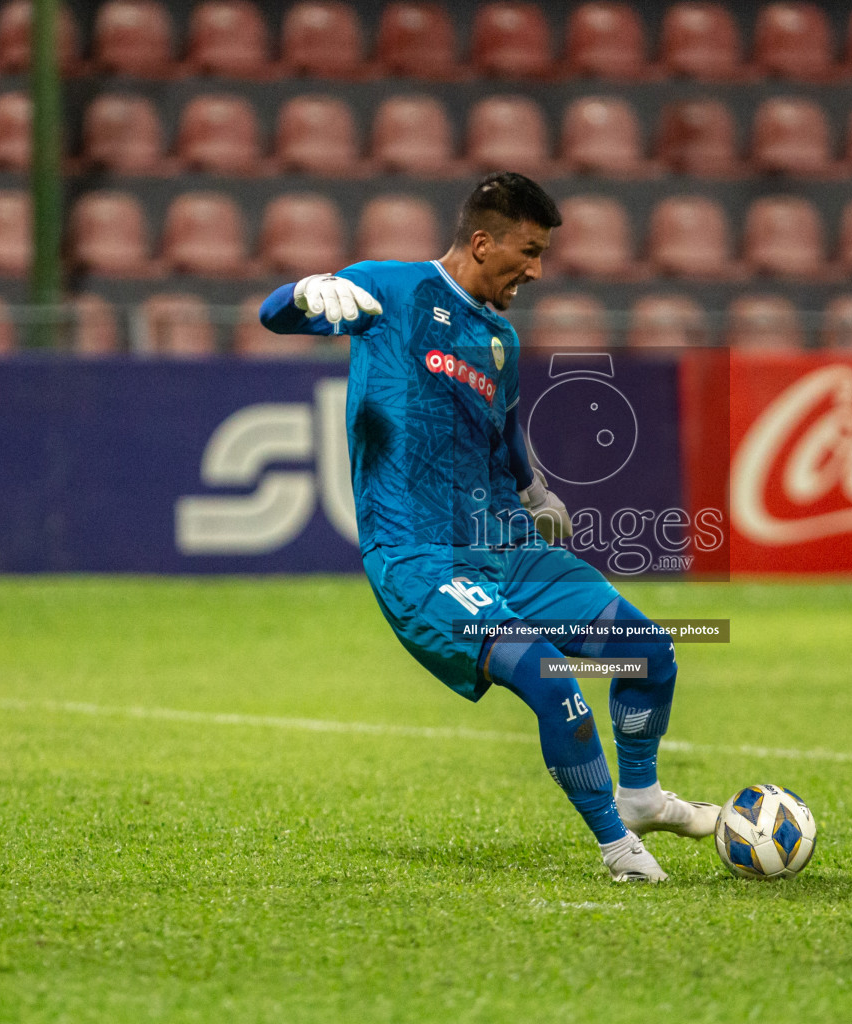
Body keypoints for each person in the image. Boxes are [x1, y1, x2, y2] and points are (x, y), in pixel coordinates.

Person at [259, 172, 717, 882]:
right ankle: (618, 850)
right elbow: (275, 316)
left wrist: (533, 488)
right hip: (421, 557)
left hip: (508, 547)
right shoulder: (391, 291)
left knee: (649, 652)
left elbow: (502, 429)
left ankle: (642, 797)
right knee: (547, 677)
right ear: (482, 242)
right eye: (528, 253)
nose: (536, 270)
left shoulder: (498, 337)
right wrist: (301, 295)